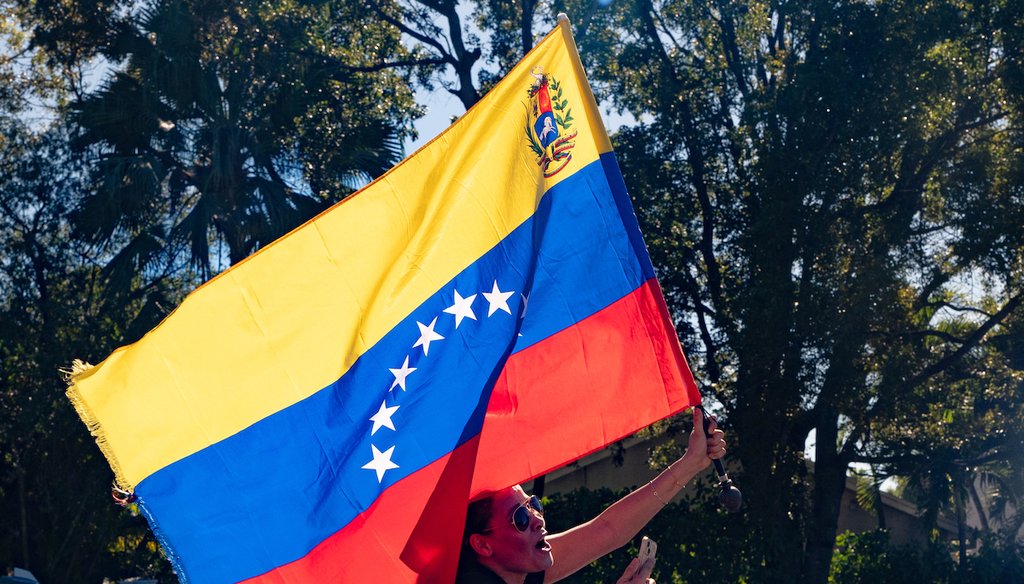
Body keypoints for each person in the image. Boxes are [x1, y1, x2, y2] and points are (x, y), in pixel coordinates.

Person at [457, 408, 727, 584]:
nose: (537, 520)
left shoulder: (513, 569)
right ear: (482, 545)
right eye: (520, 519)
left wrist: (691, 462)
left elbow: (607, 530)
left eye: (533, 505)